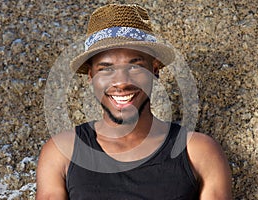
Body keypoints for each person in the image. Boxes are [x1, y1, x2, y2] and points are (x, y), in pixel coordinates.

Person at [36, 4, 232, 200]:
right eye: (106, 69)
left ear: (154, 70)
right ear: (91, 76)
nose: (121, 83)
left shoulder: (197, 151)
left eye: (135, 67)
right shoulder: (62, 152)